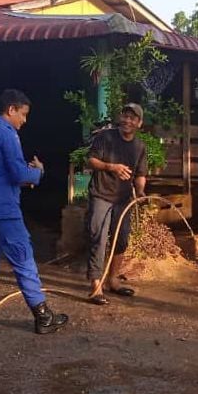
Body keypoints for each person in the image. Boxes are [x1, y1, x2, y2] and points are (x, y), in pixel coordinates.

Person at [0, 89, 69, 335]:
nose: (24, 121)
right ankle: (43, 316)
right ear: (11, 110)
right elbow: (18, 173)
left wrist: (23, 175)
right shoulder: (7, 135)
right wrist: (37, 172)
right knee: (24, 259)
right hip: (2, 210)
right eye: (23, 114)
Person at [85, 103, 148, 305]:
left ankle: (112, 280)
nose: (127, 121)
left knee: (121, 240)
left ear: (139, 123)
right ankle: (96, 285)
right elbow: (91, 161)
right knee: (99, 238)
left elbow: (140, 174)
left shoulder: (139, 147)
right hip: (101, 194)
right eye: (125, 116)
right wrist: (111, 167)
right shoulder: (106, 137)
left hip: (123, 199)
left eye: (133, 118)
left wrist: (140, 192)